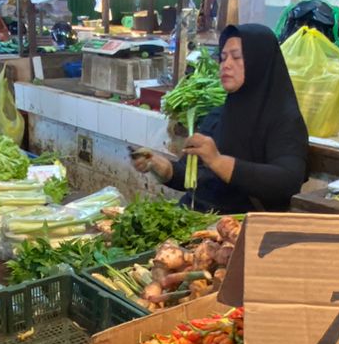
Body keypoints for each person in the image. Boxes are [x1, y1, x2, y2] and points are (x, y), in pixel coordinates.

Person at [131, 23, 309, 213]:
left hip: (241, 226)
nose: (226, 65)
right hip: (200, 216)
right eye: (223, 58)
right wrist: (160, 166)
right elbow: (188, 176)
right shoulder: (220, 114)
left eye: (236, 57)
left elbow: (288, 181)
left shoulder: (285, 119)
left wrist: (218, 161)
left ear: (260, 62)